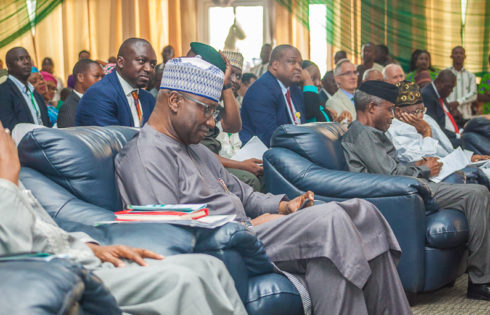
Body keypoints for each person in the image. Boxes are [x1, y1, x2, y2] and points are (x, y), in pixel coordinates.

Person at [115, 56, 412, 315]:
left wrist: (283, 206)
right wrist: (248, 225)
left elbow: (244, 193)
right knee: (332, 220)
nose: (212, 123)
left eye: (213, 112)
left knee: (363, 211)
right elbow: (171, 235)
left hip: (254, 231)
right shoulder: (146, 155)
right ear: (175, 101)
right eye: (206, 110)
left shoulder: (199, 150)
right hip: (230, 243)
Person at [0, 122, 246, 315]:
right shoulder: (7, 177)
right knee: (184, 281)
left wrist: (91, 247)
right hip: (57, 276)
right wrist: (9, 180)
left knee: (208, 265)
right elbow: (17, 249)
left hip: (78, 256)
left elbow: (43, 227)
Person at [341, 80, 490, 301]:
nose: (393, 116)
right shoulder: (362, 134)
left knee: (475, 189)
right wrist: (424, 169)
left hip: (407, 188)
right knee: (477, 194)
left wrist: (420, 166)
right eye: (390, 109)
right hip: (401, 194)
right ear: (372, 107)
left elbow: (392, 168)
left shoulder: (370, 131)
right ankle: (480, 282)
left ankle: (480, 277)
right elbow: (391, 175)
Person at [387, 80, 489, 163]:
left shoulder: (425, 119)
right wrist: (426, 132)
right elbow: (427, 164)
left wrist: (468, 159)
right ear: (399, 112)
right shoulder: (394, 132)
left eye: (423, 110)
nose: (421, 115)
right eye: (416, 111)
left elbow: (447, 151)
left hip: (451, 165)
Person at [75, 38, 156, 127]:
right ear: (121, 62)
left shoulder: (148, 99)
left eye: (152, 65)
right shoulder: (99, 95)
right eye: (141, 61)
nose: (149, 69)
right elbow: (111, 139)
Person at [240, 45, 306, 146]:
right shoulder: (261, 90)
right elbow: (270, 137)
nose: (298, 68)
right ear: (275, 64)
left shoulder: (294, 90)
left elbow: (302, 126)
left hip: (291, 151)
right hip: (262, 155)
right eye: (292, 62)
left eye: (300, 64)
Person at [0, 47, 50, 130]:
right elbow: (9, 127)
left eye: (28, 58)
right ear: (9, 66)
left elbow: (46, 123)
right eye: (20, 59)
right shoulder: (3, 92)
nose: (26, 62)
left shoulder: (35, 93)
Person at [57, 59, 104, 128]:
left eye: (102, 76)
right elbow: (70, 137)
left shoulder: (98, 101)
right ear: (80, 77)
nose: (101, 80)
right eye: (97, 76)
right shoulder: (69, 108)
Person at [421, 69, 461, 148]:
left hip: (453, 134)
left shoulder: (440, 94)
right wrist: (457, 135)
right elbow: (435, 128)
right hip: (442, 140)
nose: (451, 91)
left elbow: (449, 119)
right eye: (449, 87)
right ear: (439, 83)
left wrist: (461, 131)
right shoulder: (427, 95)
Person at [446, 46, 477, 120]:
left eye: (461, 53)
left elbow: (473, 94)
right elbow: (440, 93)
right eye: (456, 53)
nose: (458, 55)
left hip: (466, 115)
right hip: (448, 115)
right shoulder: (445, 73)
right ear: (451, 56)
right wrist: (450, 105)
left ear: (465, 56)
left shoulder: (470, 76)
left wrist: (458, 102)